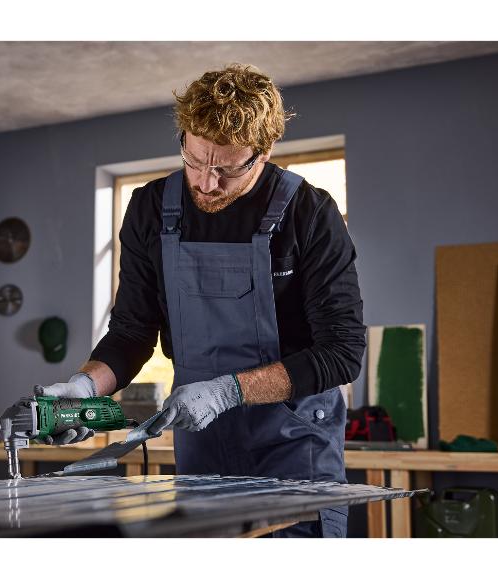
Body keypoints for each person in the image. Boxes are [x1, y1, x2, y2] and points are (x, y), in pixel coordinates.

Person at [36, 64, 366, 537]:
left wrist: (228, 391)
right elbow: (132, 332)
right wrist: (85, 388)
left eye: (228, 169)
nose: (207, 184)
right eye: (194, 161)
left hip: (295, 445)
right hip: (202, 445)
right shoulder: (151, 207)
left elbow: (343, 352)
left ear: (264, 151)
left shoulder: (310, 213)